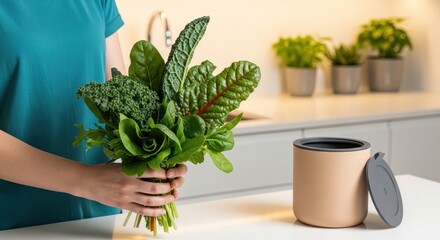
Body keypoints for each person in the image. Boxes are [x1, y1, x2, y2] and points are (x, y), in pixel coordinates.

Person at [0, 0, 187, 230]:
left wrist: (156, 160)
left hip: (98, 222)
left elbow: (120, 98)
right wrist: (87, 181)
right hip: (14, 224)